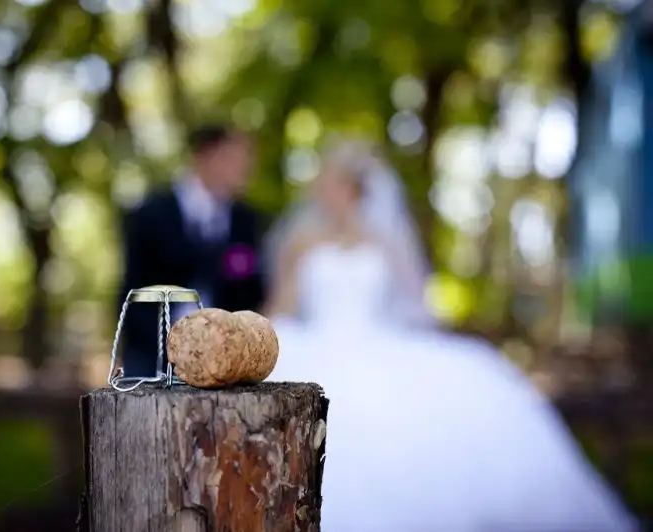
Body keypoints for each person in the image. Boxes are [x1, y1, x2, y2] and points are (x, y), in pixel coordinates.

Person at [264, 140, 638, 531]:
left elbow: (417, 303)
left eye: (331, 184)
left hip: (379, 341)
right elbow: (282, 304)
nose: (323, 193)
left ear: (353, 190)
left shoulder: (385, 243)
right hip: (319, 343)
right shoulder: (303, 242)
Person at [117, 124, 266, 377]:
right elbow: (133, 290)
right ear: (205, 156)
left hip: (224, 359)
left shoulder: (246, 221)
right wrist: (167, 346)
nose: (246, 167)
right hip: (151, 354)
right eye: (235, 158)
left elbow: (252, 288)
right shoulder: (150, 214)